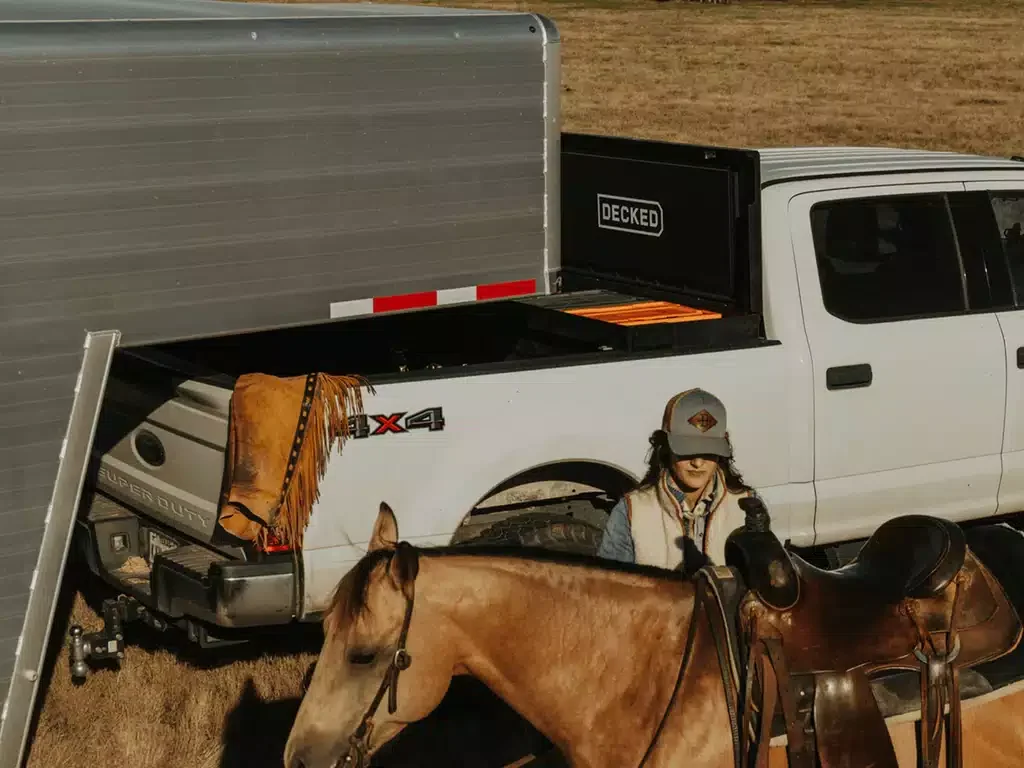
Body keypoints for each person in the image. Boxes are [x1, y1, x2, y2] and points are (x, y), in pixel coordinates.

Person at [597, 388, 759, 575]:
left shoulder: (747, 507)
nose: (697, 463)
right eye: (687, 450)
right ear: (665, 448)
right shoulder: (631, 511)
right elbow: (612, 588)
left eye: (708, 451)